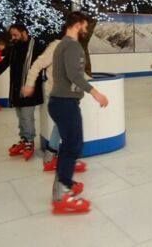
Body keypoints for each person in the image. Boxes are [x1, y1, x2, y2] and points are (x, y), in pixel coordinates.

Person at [49, 12, 108, 214]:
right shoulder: (72, 46)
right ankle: (63, 192)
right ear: (77, 24)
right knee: (73, 145)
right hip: (65, 103)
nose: (86, 29)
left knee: (71, 145)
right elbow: (74, 74)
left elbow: (71, 72)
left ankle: (62, 186)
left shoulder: (62, 44)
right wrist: (95, 92)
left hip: (62, 102)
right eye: (85, 25)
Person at [22, 32, 87, 174]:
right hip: (59, 94)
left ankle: (51, 157)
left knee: (61, 125)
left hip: (69, 95)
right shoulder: (56, 46)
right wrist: (29, 84)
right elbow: (37, 65)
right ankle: (62, 163)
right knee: (68, 128)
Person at [0, 24, 44, 161]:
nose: (13, 38)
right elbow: (4, 64)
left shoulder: (36, 46)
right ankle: (24, 139)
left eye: (15, 35)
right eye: (11, 35)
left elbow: (45, 63)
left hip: (30, 89)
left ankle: (29, 142)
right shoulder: (13, 48)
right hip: (16, 89)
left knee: (26, 116)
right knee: (20, 116)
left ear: (24, 32)